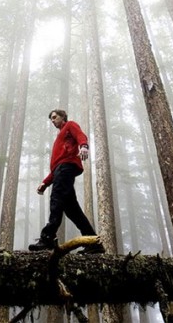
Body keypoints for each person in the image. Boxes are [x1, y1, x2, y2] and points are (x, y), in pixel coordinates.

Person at [28, 109, 105, 254]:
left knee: (56, 199)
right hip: (60, 170)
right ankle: (94, 243)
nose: (52, 120)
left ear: (63, 117)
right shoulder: (59, 138)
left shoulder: (70, 125)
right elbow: (56, 166)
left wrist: (83, 146)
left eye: (55, 117)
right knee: (73, 211)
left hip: (66, 167)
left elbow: (81, 135)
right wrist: (45, 182)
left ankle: (47, 237)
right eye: (51, 119)